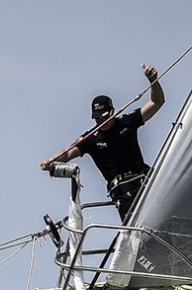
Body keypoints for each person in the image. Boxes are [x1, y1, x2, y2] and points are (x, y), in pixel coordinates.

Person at [39, 63, 165, 223]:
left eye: (104, 117)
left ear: (112, 112)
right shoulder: (91, 138)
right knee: (135, 223)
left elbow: (157, 102)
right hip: (122, 190)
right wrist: (51, 161)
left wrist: (153, 81)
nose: (101, 121)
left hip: (144, 179)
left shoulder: (127, 121)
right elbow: (68, 153)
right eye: (97, 118)